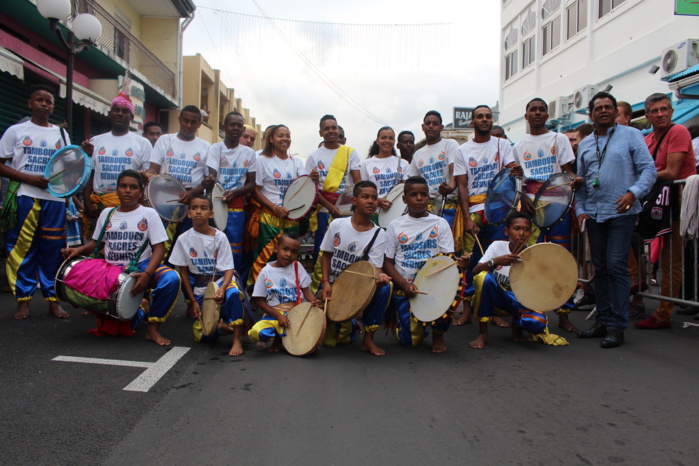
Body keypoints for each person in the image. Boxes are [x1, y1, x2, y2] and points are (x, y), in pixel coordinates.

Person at [63, 170, 181, 345]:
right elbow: (96, 244)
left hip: (141, 266)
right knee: (115, 329)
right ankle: (142, 306)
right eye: (123, 186)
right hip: (112, 272)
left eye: (133, 187)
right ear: (117, 190)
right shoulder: (107, 214)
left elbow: (159, 248)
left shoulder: (149, 214)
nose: (127, 190)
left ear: (140, 193)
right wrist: (77, 250)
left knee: (171, 278)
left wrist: (147, 274)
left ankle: (153, 329)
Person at [576, 92, 656, 348]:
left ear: (615, 111)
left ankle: (617, 326)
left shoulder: (632, 135)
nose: (603, 111)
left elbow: (649, 170)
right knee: (601, 267)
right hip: (595, 214)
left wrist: (633, 193)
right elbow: (580, 182)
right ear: (591, 114)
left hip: (622, 212)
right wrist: (580, 211)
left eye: (608, 107)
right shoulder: (586, 143)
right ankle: (603, 320)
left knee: (616, 266)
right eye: (598, 107)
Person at [511, 98, 582, 332]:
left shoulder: (559, 139)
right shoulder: (519, 146)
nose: (538, 113)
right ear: (526, 115)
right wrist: (523, 199)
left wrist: (575, 181)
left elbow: (568, 172)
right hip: (530, 208)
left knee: (560, 259)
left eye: (542, 109)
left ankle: (563, 313)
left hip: (558, 206)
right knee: (531, 259)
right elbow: (518, 181)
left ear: (547, 114)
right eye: (533, 109)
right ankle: (531, 308)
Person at [0, 84, 70, 319]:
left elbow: (70, 167)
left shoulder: (61, 134)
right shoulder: (16, 131)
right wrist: (28, 178)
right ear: (30, 103)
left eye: (48, 101)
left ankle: (53, 300)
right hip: (25, 197)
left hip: (55, 200)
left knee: (54, 251)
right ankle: (23, 300)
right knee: (23, 249)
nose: (44, 104)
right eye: (39, 100)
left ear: (52, 106)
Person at [383, 176, 468, 353]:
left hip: (433, 284)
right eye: (414, 194)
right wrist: (405, 284)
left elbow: (447, 257)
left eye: (423, 194)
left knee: (450, 290)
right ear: (405, 199)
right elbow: (387, 262)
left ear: (429, 196)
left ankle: (438, 334)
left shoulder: (440, 223)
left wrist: (459, 264)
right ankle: (405, 325)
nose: (419, 198)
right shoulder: (395, 225)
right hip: (405, 286)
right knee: (412, 342)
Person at [636, 93, 697, 330]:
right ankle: (641, 291)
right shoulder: (648, 138)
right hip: (655, 204)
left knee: (672, 259)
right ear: (648, 115)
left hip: (679, 204)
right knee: (648, 252)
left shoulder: (678, 132)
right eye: (655, 110)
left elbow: (671, 172)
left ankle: (664, 312)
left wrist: (638, 181)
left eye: (665, 109)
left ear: (671, 112)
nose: (660, 113)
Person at [452, 104, 516, 327]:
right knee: (471, 261)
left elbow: (512, 171)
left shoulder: (503, 144)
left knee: (497, 261)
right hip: (475, 212)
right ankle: (468, 309)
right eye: (480, 116)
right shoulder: (462, 150)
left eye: (488, 116)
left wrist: (516, 169)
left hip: (499, 211)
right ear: (473, 122)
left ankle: (495, 309)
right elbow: (462, 186)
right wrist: (468, 218)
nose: (485, 119)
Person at [469, 213, 568, 349]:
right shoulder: (497, 246)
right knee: (483, 278)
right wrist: (495, 261)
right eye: (517, 228)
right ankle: (483, 332)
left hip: (520, 301)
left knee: (538, 322)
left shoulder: (532, 254)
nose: (522, 233)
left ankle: (517, 324)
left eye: (526, 229)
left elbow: (536, 291)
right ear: (506, 231)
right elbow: (475, 271)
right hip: (497, 300)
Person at [319, 181, 392, 356]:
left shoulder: (379, 234)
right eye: (365, 197)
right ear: (354, 200)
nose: (371, 202)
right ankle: (350, 323)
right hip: (334, 287)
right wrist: (325, 283)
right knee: (330, 341)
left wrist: (381, 277)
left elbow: (375, 268)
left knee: (385, 289)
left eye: (374, 198)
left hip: (358, 289)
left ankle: (368, 340)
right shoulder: (338, 225)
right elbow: (327, 254)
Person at [170, 196, 246, 356]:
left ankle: (237, 338)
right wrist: (192, 302)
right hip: (201, 287)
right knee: (205, 337)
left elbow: (228, 269)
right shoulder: (183, 239)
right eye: (194, 207)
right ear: (188, 213)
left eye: (203, 208)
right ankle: (221, 325)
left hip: (222, 282)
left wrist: (223, 288)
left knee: (232, 295)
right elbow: (183, 272)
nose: (198, 211)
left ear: (211, 214)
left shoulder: (220, 237)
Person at [81, 93, 152, 239]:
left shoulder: (142, 143)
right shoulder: (95, 141)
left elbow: (148, 177)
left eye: (125, 111)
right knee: (97, 247)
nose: (120, 114)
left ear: (132, 117)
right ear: (110, 113)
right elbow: (89, 174)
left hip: (130, 206)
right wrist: (87, 204)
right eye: (116, 110)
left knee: (125, 245)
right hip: (100, 205)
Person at [247, 124, 306, 287]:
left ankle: (285, 292)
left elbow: (304, 188)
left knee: (289, 258)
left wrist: (312, 179)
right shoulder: (261, 160)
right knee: (265, 258)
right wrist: (274, 208)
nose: (285, 139)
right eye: (280, 135)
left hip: (292, 219)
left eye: (288, 135)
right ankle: (257, 294)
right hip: (269, 217)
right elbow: (256, 190)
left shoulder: (297, 162)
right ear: (271, 138)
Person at [306, 115, 362, 284]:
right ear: (321, 132)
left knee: (346, 249)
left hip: (346, 210)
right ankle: (320, 287)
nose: (331, 131)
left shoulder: (349, 153)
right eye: (327, 128)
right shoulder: (314, 156)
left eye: (334, 127)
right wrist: (330, 206)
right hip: (324, 209)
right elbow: (310, 187)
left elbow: (357, 183)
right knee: (323, 249)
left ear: (338, 130)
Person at [249, 232, 320, 352]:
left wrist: (314, 302)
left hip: (297, 313)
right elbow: (259, 300)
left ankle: (283, 340)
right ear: (276, 248)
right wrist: (278, 316)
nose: (288, 255)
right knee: (259, 333)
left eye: (294, 252)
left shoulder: (297, 267)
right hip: (274, 314)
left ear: (297, 254)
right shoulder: (266, 271)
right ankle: (278, 337)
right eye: (285, 249)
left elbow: (305, 290)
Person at [206, 111, 256, 270]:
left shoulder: (249, 153)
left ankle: (233, 284)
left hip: (236, 203)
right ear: (224, 127)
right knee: (214, 245)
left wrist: (234, 193)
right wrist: (211, 179)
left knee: (235, 248)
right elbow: (212, 173)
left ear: (242, 129)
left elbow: (252, 184)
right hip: (217, 202)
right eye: (232, 124)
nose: (235, 128)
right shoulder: (215, 148)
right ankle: (212, 284)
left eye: (239, 125)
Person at [408, 110, 459, 227]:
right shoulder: (418, 154)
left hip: (448, 205)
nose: (431, 126)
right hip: (426, 208)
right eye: (428, 123)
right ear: (423, 127)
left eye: (435, 124)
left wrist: (450, 187)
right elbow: (413, 182)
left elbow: (454, 170)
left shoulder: (450, 144)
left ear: (441, 127)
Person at [360, 127, 409, 213]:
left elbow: (407, 189)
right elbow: (362, 191)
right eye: (383, 137)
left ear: (394, 141)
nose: (387, 141)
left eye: (391, 138)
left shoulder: (403, 163)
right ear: (377, 141)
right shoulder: (366, 164)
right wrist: (377, 201)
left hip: (397, 212)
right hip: (374, 212)